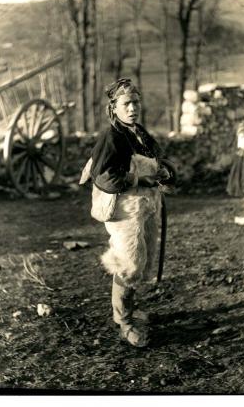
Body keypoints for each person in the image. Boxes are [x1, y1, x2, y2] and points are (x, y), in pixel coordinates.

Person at [80, 78, 176, 347]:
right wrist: (138, 180)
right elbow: (104, 177)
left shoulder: (140, 133)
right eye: (126, 104)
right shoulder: (112, 137)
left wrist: (165, 170)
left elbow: (156, 159)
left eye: (136, 102)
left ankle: (129, 310)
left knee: (142, 258)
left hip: (145, 205)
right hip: (123, 209)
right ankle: (125, 322)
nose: (132, 108)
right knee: (129, 262)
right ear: (114, 108)